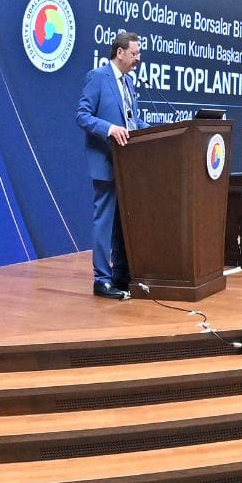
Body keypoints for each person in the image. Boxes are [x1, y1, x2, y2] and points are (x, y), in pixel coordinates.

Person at [75, 30, 149, 300]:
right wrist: (109, 129)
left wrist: (159, 130)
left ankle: (120, 274)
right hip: (106, 162)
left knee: (122, 223)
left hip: (127, 166)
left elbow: (132, 122)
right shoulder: (98, 77)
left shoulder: (128, 82)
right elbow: (82, 115)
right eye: (134, 53)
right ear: (120, 52)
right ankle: (101, 280)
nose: (138, 59)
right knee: (105, 222)